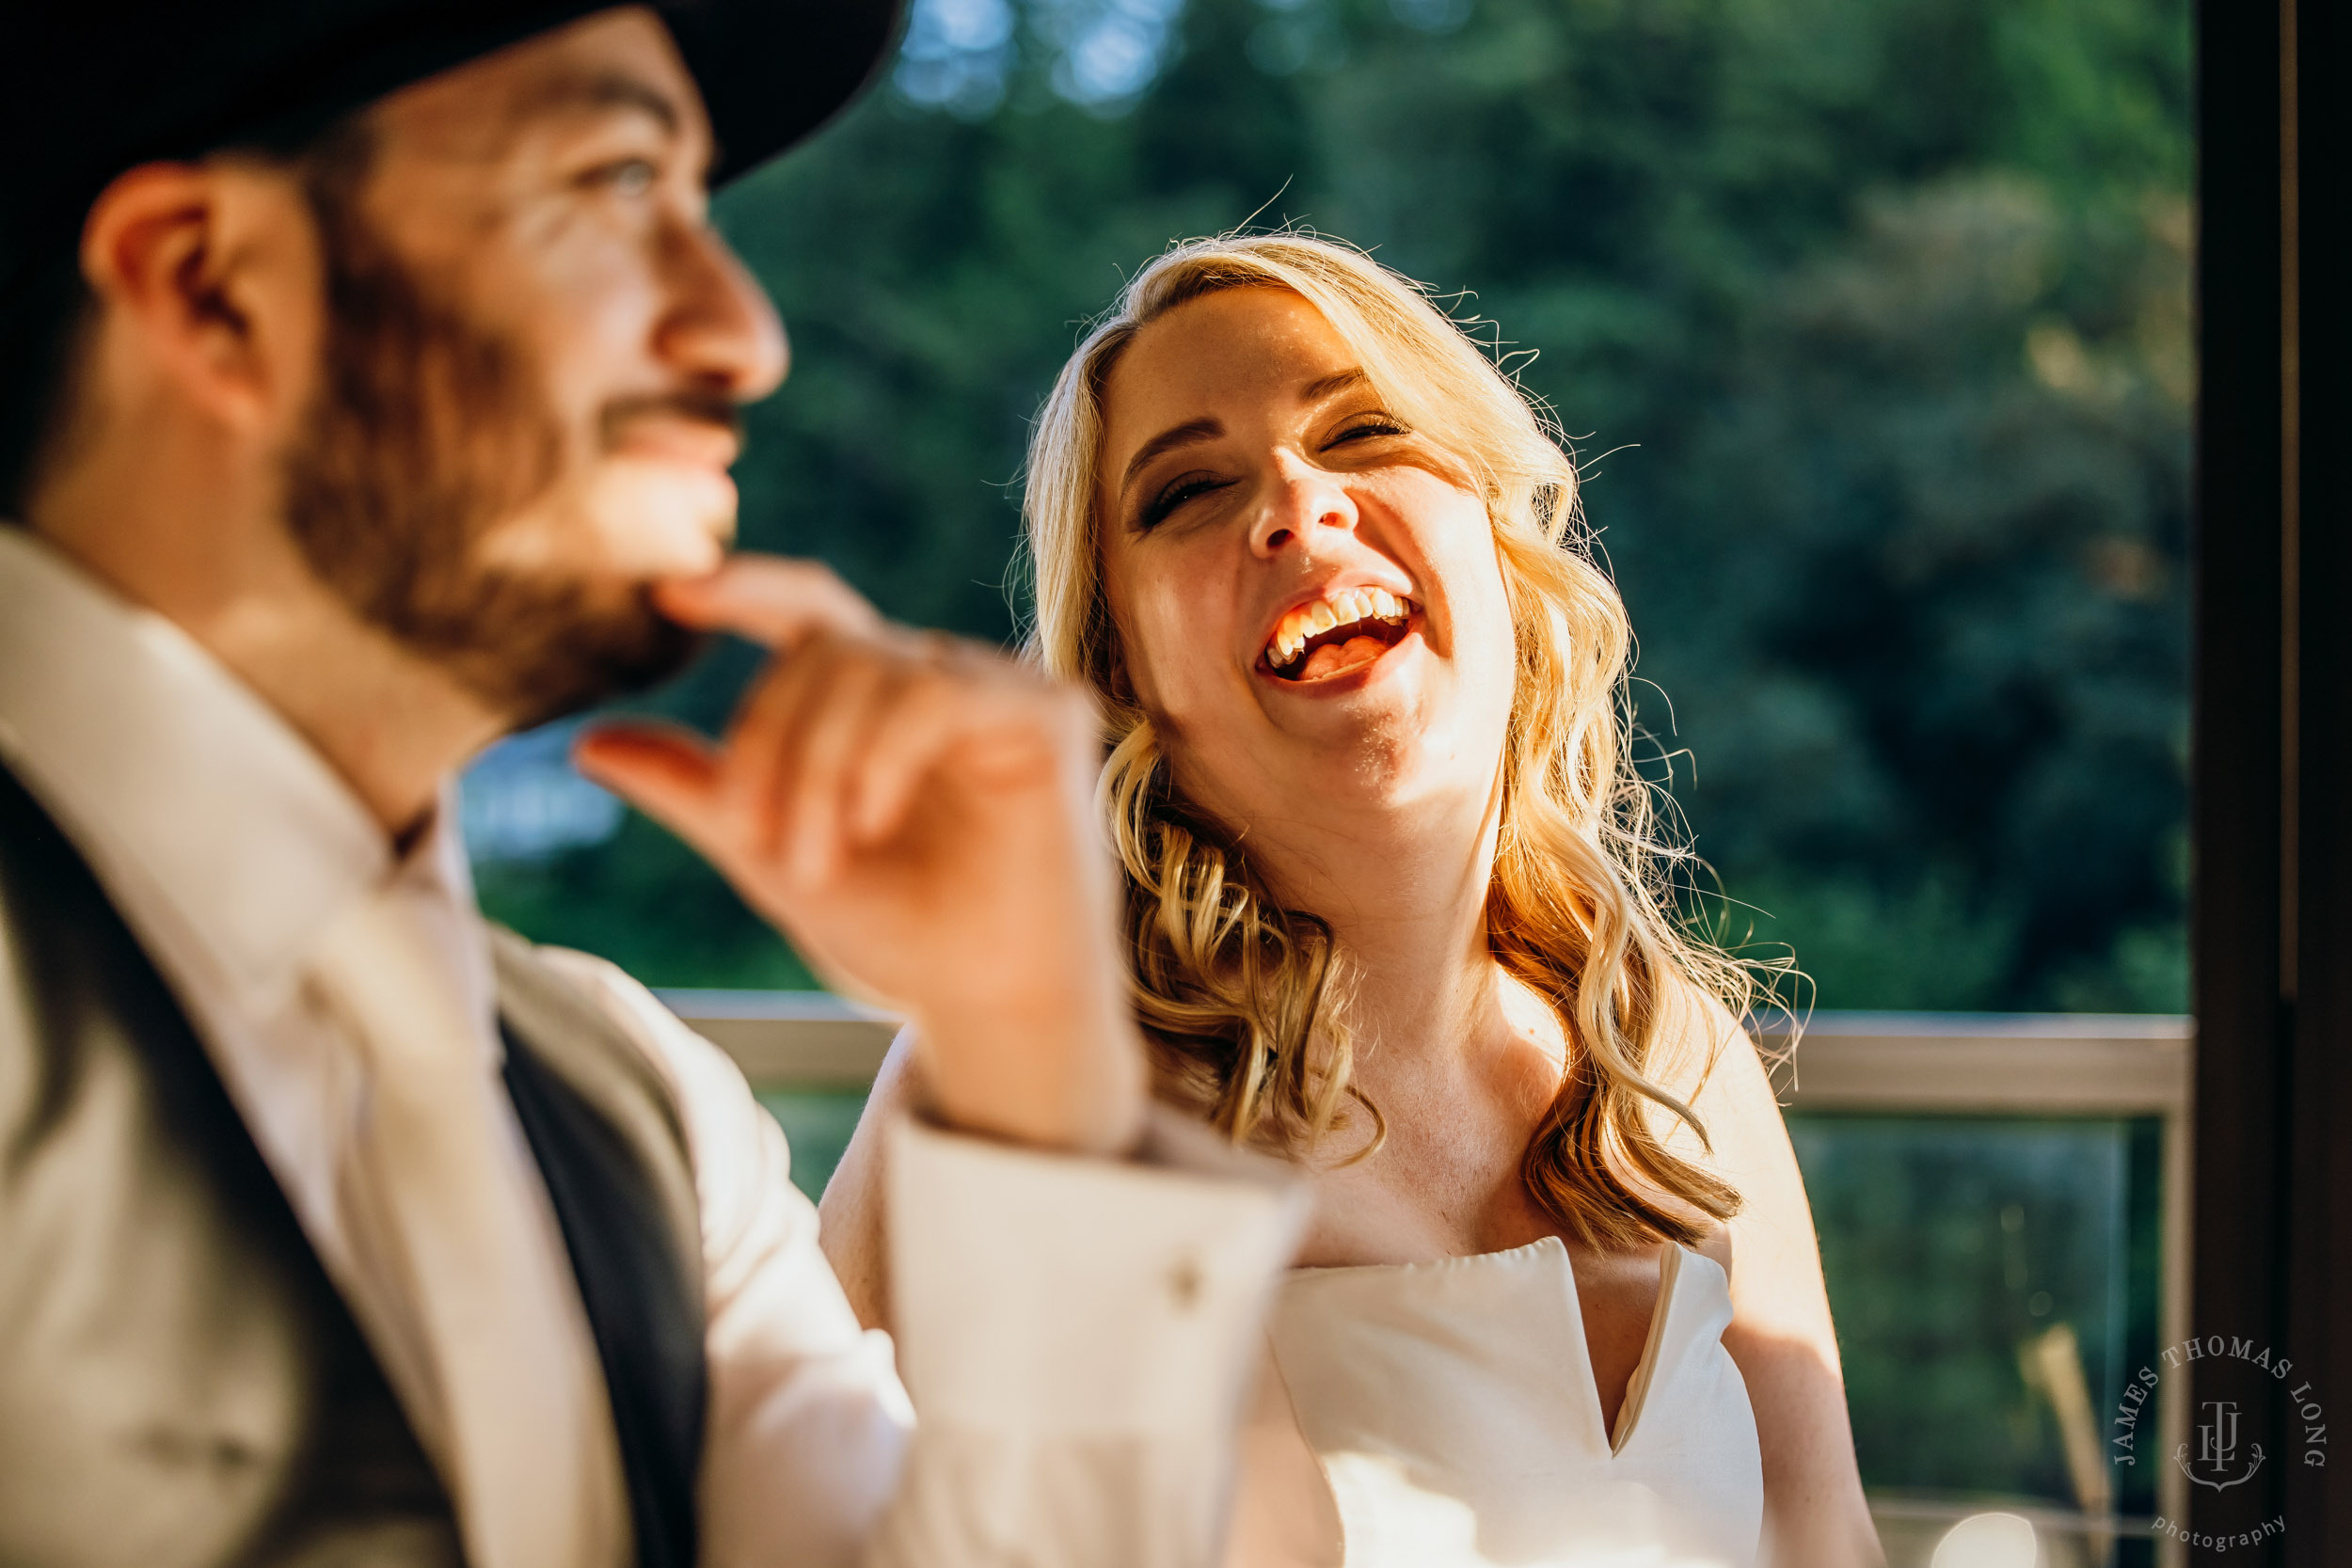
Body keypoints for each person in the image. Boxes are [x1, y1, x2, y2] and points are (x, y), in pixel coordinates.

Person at [0, 9, 1309, 1568]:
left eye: (704, 209)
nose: (741, 332)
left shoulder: (646, 1118)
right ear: (210, 287)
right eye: (618, 184)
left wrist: (1034, 1057)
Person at [819, 233, 1885, 1566]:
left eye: (1364, 429)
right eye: (1190, 490)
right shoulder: (1027, 1097)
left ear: (1498, 543)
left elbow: (1827, 1539)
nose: (1294, 502)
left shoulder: (1674, 1062)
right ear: (1119, 674)